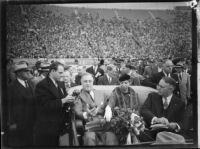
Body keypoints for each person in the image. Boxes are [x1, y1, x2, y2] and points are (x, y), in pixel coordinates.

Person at [34, 62, 75, 146]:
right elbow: (44, 105)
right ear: (52, 71)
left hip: (60, 124)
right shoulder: (42, 85)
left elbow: (64, 98)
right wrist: (63, 100)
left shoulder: (60, 83)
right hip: (48, 127)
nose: (63, 75)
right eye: (60, 73)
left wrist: (71, 99)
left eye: (63, 72)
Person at [74, 72, 118, 146]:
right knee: (89, 139)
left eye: (90, 81)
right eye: (85, 81)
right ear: (81, 82)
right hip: (90, 126)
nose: (88, 83)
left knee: (111, 138)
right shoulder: (78, 96)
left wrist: (108, 108)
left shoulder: (101, 93)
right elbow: (77, 111)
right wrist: (86, 114)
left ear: (93, 82)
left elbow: (111, 100)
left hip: (104, 125)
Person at [138, 77, 186, 142]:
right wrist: (156, 119)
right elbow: (144, 110)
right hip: (151, 134)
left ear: (171, 89)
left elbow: (184, 123)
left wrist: (175, 125)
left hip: (169, 137)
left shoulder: (180, 103)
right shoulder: (152, 96)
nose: (158, 88)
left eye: (161, 87)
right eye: (158, 85)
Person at [7, 61, 36, 147]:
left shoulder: (31, 83)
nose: (28, 72)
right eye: (25, 71)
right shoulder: (12, 87)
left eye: (28, 71)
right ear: (19, 73)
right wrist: (11, 122)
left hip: (32, 122)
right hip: (19, 124)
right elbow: (9, 106)